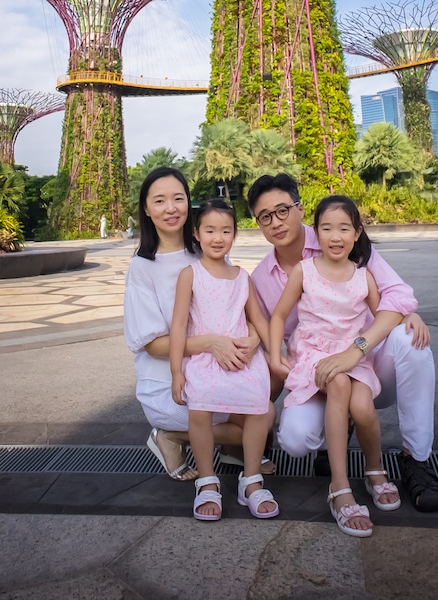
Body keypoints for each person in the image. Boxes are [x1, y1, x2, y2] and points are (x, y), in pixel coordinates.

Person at [248, 172, 438, 512]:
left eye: (283, 210)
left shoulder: (339, 235)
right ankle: (335, 435)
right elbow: (264, 325)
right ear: (258, 223)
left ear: (299, 209)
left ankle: (416, 459)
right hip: (314, 367)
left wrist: (396, 321)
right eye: (265, 216)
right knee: (295, 441)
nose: (276, 222)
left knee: (411, 339)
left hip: (365, 360)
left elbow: (396, 295)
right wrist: (272, 357)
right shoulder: (263, 278)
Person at [269, 195, 399, 536]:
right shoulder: (304, 271)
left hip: (352, 356)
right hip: (313, 354)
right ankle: (339, 487)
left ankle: (374, 470)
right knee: (339, 385)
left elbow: (383, 314)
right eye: (326, 228)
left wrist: (410, 316)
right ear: (316, 233)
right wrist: (273, 352)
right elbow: (280, 315)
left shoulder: (363, 276)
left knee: (363, 407)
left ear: (357, 234)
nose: (335, 236)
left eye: (344, 228)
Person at [124, 166, 265, 480]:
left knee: (264, 412)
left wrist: (254, 337)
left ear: (189, 202)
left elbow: (237, 307)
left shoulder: (206, 249)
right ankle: (172, 436)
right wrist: (210, 343)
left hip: (215, 369)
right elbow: (152, 344)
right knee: (254, 422)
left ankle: (231, 450)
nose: (171, 208)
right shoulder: (143, 268)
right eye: (159, 201)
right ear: (146, 209)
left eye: (178, 198)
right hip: (171, 383)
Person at [169, 198, 278, 521]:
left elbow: (258, 318)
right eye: (210, 230)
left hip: (242, 357)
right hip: (205, 358)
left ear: (235, 234)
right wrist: (177, 371)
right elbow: (177, 326)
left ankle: (252, 479)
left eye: (226, 231)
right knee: (199, 406)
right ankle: (207, 480)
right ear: (197, 233)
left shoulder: (242, 276)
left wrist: (271, 352)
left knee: (260, 404)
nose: (218, 238)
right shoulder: (190, 274)